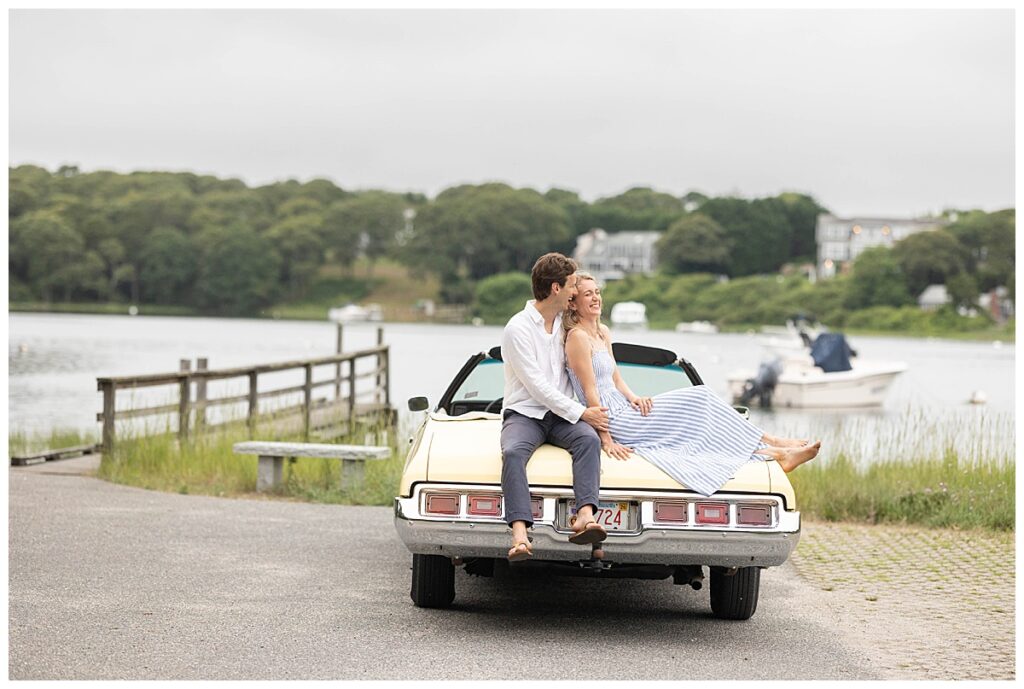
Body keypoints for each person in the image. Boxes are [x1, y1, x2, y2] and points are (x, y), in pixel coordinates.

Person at [563, 272, 820, 496]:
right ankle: (773, 442)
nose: (596, 297)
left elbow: (615, 377)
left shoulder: (603, 332)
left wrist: (634, 397)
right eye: (587, 294)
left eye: (597, 292)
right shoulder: (577, 338)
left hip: (624, 407)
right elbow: (590, 392)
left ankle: (774, 453)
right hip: (613, 419)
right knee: (702, 397)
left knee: (704, 423)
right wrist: (606, 439)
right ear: (573, 304)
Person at [500, 254, 612, 562]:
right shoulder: (517, 329)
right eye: (573, 285)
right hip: (525, 413)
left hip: (561, 416)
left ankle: (585, 516)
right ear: (555, 288)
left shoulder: (566, 323)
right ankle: (520, 535)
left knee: (588, 440)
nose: (575, 291)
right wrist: (582, 413)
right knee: (512, 453)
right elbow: (537, 386)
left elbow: (595, 341)